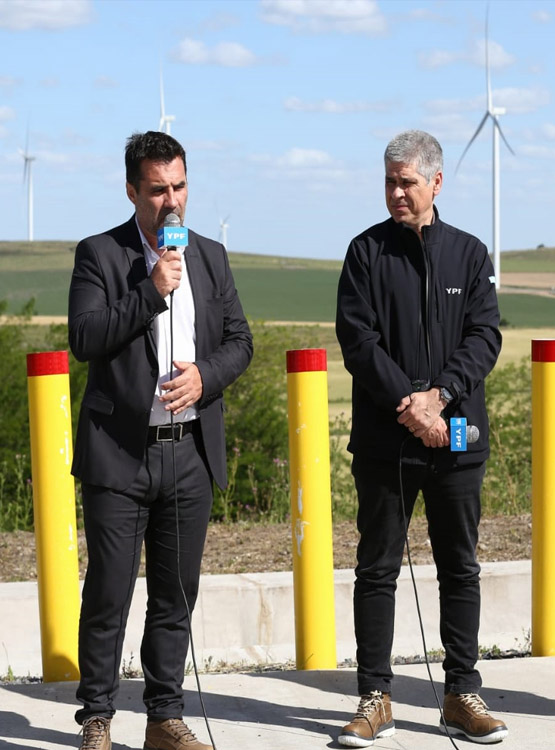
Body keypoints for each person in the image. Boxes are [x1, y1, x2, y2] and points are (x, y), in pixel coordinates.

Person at [68, 131, 253, 750]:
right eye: (156, 191)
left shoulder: (210, 255)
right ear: (132, 191)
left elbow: (239, 342)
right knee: (109, 593)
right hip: (120, 455)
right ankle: (97, 717)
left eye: (179, 187)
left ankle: (163, 719)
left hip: (188, 453)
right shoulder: (100, 254)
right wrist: (152, 290)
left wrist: (206, 378)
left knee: (175, 595)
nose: (170, 202)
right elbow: (87, 337)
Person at [335, 130, 507, 747]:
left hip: (456, 437)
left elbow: (485, 336)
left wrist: (440, 398)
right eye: (389, 181)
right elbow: (357, 340)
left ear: (437, 182)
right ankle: (374, 696)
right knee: (377, 569)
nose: (397, 193)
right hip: (388, 442)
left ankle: (461, 692)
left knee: (460, 567)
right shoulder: (365, 253)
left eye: (407, 182)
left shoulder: (469, 252)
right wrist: (409, 402)